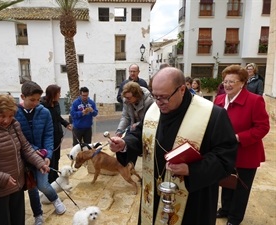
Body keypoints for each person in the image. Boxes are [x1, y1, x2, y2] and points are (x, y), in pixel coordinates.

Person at [109, 67, 238, 225]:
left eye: (163, 97)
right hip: (155, 195)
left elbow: (225, 158)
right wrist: (124, 144)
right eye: (155, 96)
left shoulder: (213, 115)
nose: (158, 103)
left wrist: (191, 169)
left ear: (182, 89)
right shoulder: (154, 109)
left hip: (193, 199)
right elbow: (141, 133)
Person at [0, 94, 49, 225]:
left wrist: (40, 163)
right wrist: (3, 178)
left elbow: (25, 148)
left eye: (10, 116)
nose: (6, 120)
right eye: (2, 116)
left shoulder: (14, 126)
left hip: (16, 186)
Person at [214, 65, 270, 225]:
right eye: (225, 81)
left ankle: (235, 218)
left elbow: (263, 127)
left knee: (241, 188)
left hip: (246, 153)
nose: (227, 85)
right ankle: (225, 209)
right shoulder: (219, 99)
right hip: (225, 153)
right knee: (226, 182)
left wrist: (238, 137)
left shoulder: (255, 100)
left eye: (232, 81)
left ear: (242, 83)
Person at [15, 81, 66, 225]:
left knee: (43, 184)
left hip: (43, 157)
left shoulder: (44, 112)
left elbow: (48, 135)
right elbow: (18, 138)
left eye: (38, 99)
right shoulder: (14, 113)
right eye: (32, 100)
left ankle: (55, 199)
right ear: (22, 97)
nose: (36, 103)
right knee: (32, 188)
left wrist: (48, 155)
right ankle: (38, 214)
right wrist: (34, 150)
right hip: (24, 158)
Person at [115, 82, 154, 165]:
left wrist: (138, 124)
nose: (127, 100)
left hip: (146, 129)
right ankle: (130, 169)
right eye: (125, 97)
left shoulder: (149, 101)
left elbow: (150, 119)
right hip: (133, 129)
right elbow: (125, 117)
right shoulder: (127, 100)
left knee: (147, 152)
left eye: (129, 98)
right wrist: (119, 130)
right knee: (130, 147)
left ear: (137, 95)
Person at [40, 84, 72, 183]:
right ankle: (49, 180)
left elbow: (57, 117)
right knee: (50, 159)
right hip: (49, 137)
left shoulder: (56, 104)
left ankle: (55, 178)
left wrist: (66, 124)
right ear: (53, 94)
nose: (60, 95)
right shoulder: (42, 106)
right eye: (58, 93)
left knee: (57, 158)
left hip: (58, 135)